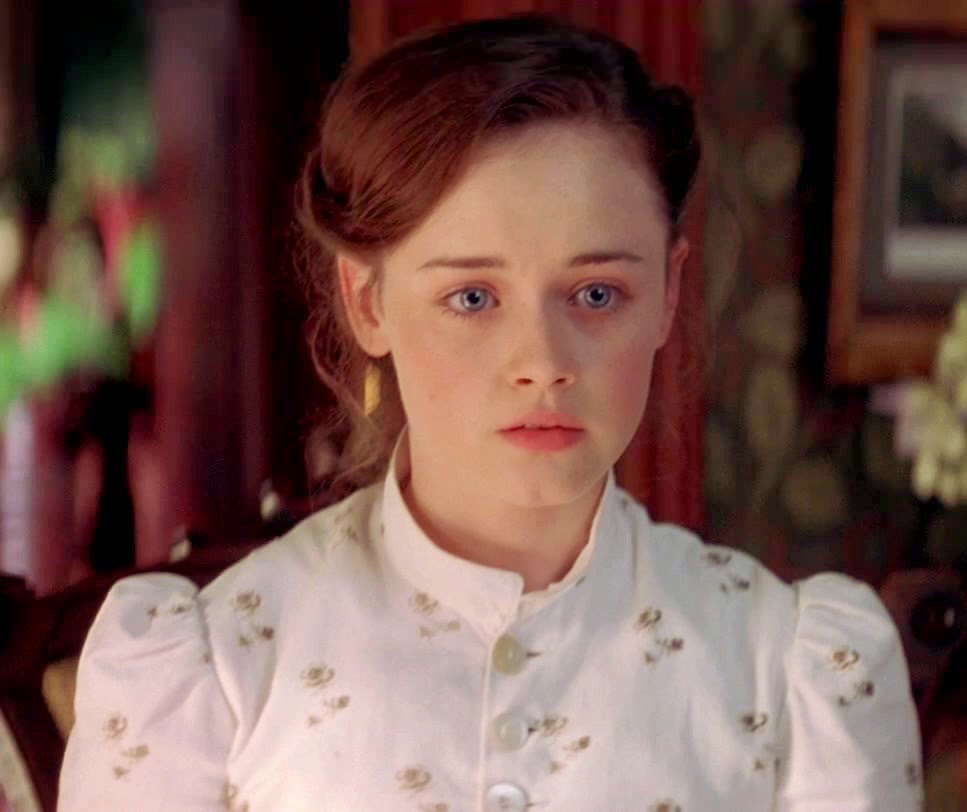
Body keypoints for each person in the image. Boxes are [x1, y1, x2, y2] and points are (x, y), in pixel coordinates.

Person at [58, 14, 923, 811]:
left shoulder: (794, 671)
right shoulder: (214, 669)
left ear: (668, 292)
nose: (541, 361)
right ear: (367, 302)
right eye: (472, 297)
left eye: (596, 293)